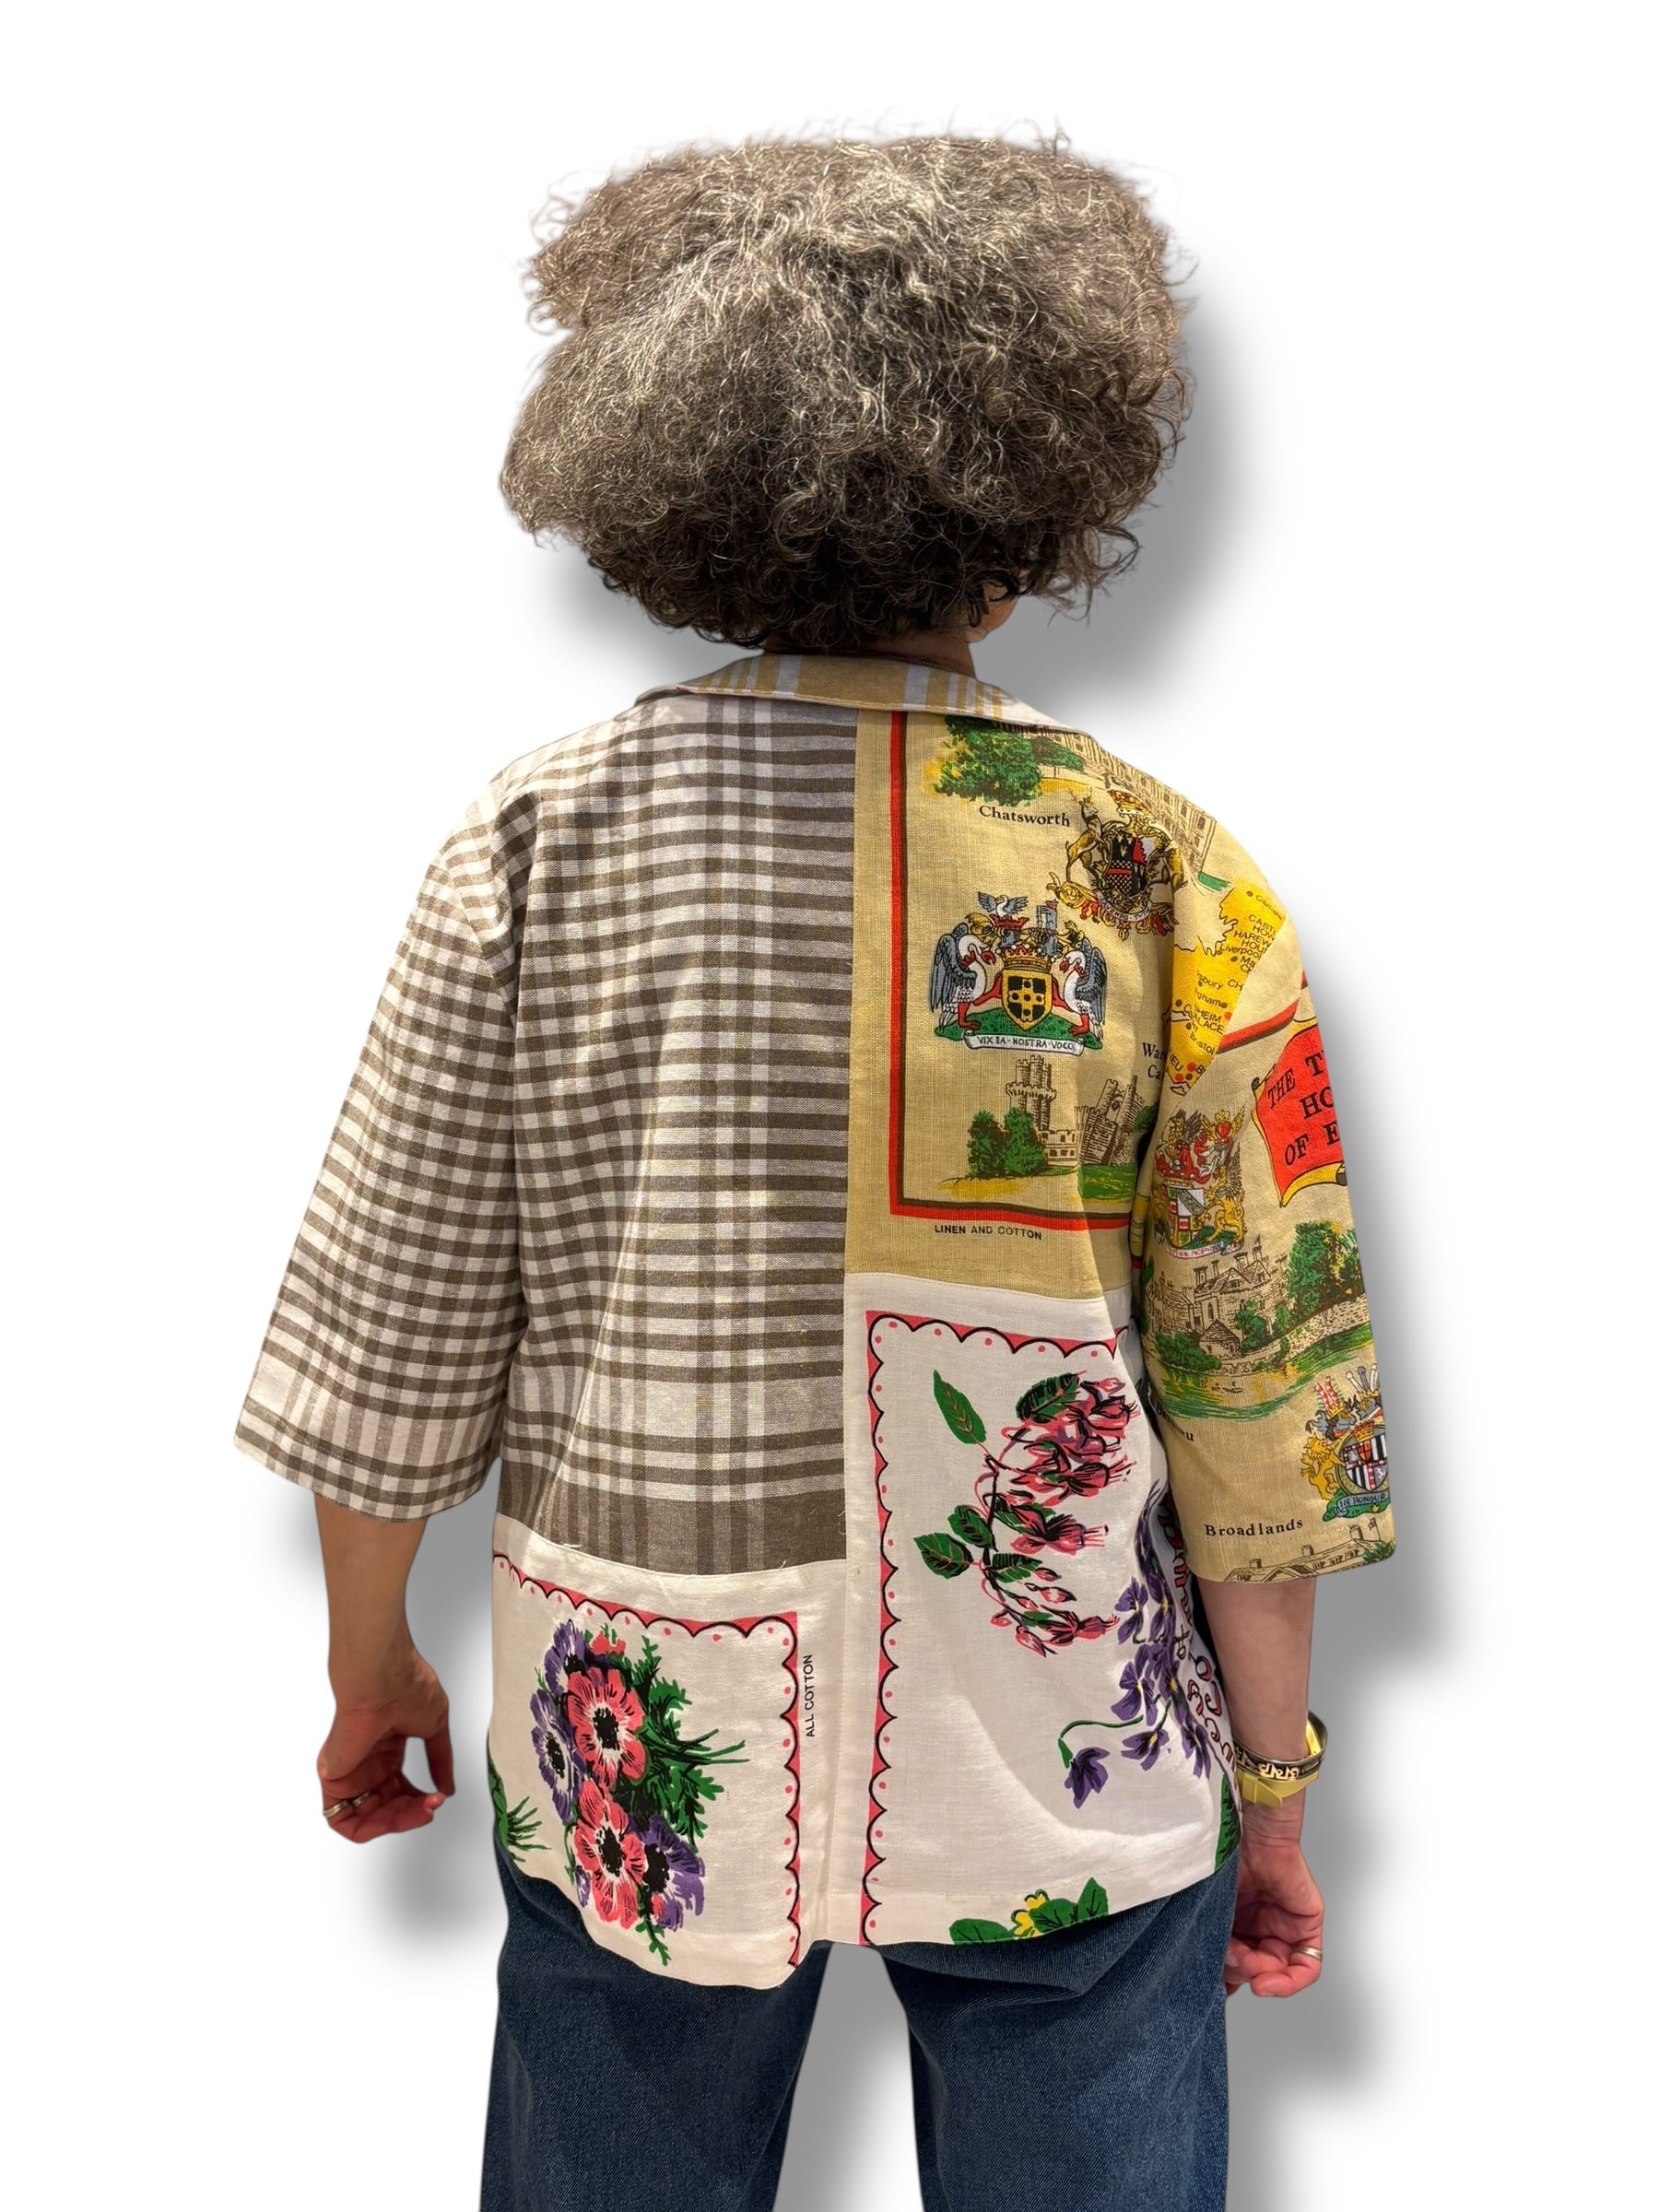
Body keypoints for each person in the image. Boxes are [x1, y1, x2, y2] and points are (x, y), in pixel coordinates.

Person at [236, 132, 1395, 2212]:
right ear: (1031, 509)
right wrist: (1278, 1777)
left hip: (637, 1717)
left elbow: (395, 1310)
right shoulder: (1168, 875)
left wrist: (369, 1653)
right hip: (1065, 1741)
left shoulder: (536, 841)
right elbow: (1263, 1393)